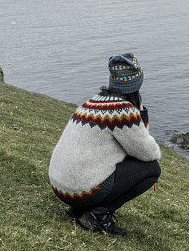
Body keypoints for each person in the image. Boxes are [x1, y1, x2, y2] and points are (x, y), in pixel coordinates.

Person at [48, 53, 161, 236]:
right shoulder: (123, 112)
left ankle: (78, 209)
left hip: (60, 187)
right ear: (137, 84)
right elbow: (148, 153)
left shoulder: (90, 103)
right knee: (152, 169)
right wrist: (142, 114)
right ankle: (98, 214)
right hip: (80, 190)